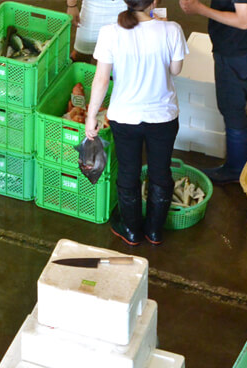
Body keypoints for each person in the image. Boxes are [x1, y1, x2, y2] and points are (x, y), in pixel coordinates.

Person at [85, 0, 188, 246]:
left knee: (128, 173)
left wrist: (91, 116)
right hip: (163, 117)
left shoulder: (110, 32)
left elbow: (101, 80)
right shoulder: (171, 29)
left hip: (125, 118)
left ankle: (131, 231)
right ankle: (154, 231)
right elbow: (176, 70)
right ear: (154, 2)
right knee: (160, 173)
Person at [179, 0, 247, 185]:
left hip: (235, 49)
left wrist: (200, 9)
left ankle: (236, 168)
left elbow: (244, 20)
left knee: (231, 106)